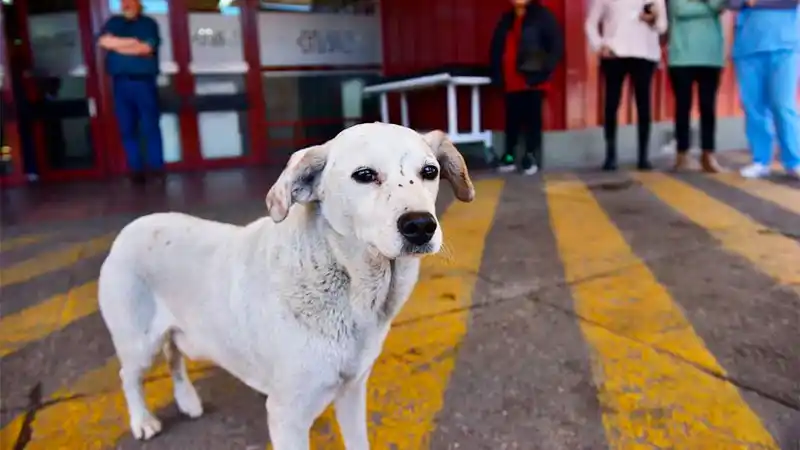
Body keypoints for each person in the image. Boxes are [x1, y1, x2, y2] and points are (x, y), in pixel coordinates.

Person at [585, 0, 668, 171]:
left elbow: (663, 26)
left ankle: (643, 157)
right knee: (611, 105)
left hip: (645, 54)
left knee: (643, 106)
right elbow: (590, 23)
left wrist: (651, 19)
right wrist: (599, 46)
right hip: (615, 54)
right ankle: (610, 155)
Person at [489, 0, 564, 175]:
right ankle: (509, 157)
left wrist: (545, 71)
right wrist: (497, 74)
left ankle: (530, 157)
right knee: (512, 120)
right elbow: (496, 48)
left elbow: (556, 46)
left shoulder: (542, 16)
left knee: (532, 119)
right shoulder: (506, 19)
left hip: (533, 78)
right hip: (510, 79)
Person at [730, 0, 800, 179]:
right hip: (748, 46)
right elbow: (731, 2)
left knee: (783, 104)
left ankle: (794, 161)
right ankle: (760, 161)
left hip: (785, 44)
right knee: (754, 107)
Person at [97, 0, 164, 185]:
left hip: (143, 83)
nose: (126, 4)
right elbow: (104, 41)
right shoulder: (114, 22)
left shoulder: (148, 23)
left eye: (130, 1)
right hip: (120, 84)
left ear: (138, 4)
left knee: (150, 126)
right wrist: (132, 43)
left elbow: (147, 48)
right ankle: (136, 170)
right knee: (127, 128)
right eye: (123, 1)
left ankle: (156, 169)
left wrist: (118, 45)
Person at [667, 0, 727, 172]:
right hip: (681, 56)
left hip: (711, 56)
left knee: (708, 108)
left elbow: (720, 5)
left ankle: (708, 155)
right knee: (682, 107)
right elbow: (679, 9)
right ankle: (682, 154)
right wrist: (708, 6)